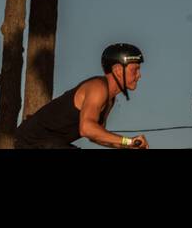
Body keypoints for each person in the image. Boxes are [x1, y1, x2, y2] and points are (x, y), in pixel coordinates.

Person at [14, 43, 150, 149]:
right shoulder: (98, 88)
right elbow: (87, 128)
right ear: (118, 70)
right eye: (135, 70)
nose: (139, 75)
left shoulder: (110, 99)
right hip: (33, 141)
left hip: (50, 143)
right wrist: (128, 140)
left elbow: (97, 136)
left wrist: (130, 145)